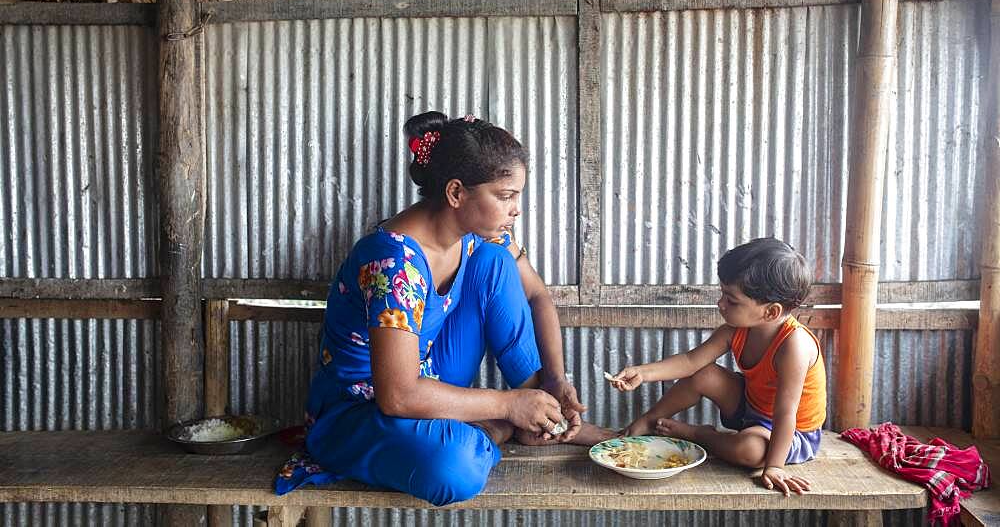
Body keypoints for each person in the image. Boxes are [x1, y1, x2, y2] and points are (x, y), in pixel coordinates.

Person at [277, 111, 589, 506]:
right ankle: (503, 427)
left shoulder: (480, 238)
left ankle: (546, 418)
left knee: (495, 263)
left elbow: (538, 295)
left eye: (517, 197)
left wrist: (555, 382)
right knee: (452, 468)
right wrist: (507, 407)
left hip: (432, 377)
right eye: (506, 196)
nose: (516, 210)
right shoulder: (392, 262)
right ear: (456, 193)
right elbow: (398, 396)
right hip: (363, 409)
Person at [611, 238, 827, 496]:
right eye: (722, 294)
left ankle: (700, 435)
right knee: (704, 373)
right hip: (750, 407)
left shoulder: (794, 345)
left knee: (749, 450)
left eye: (732, 300)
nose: (720, 304)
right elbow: (690, 362)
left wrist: (775, 466)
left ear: (771, 312)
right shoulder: (734, 331)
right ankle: (648, 421)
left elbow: (785, 413)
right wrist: (642, 372)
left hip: (791, 432)